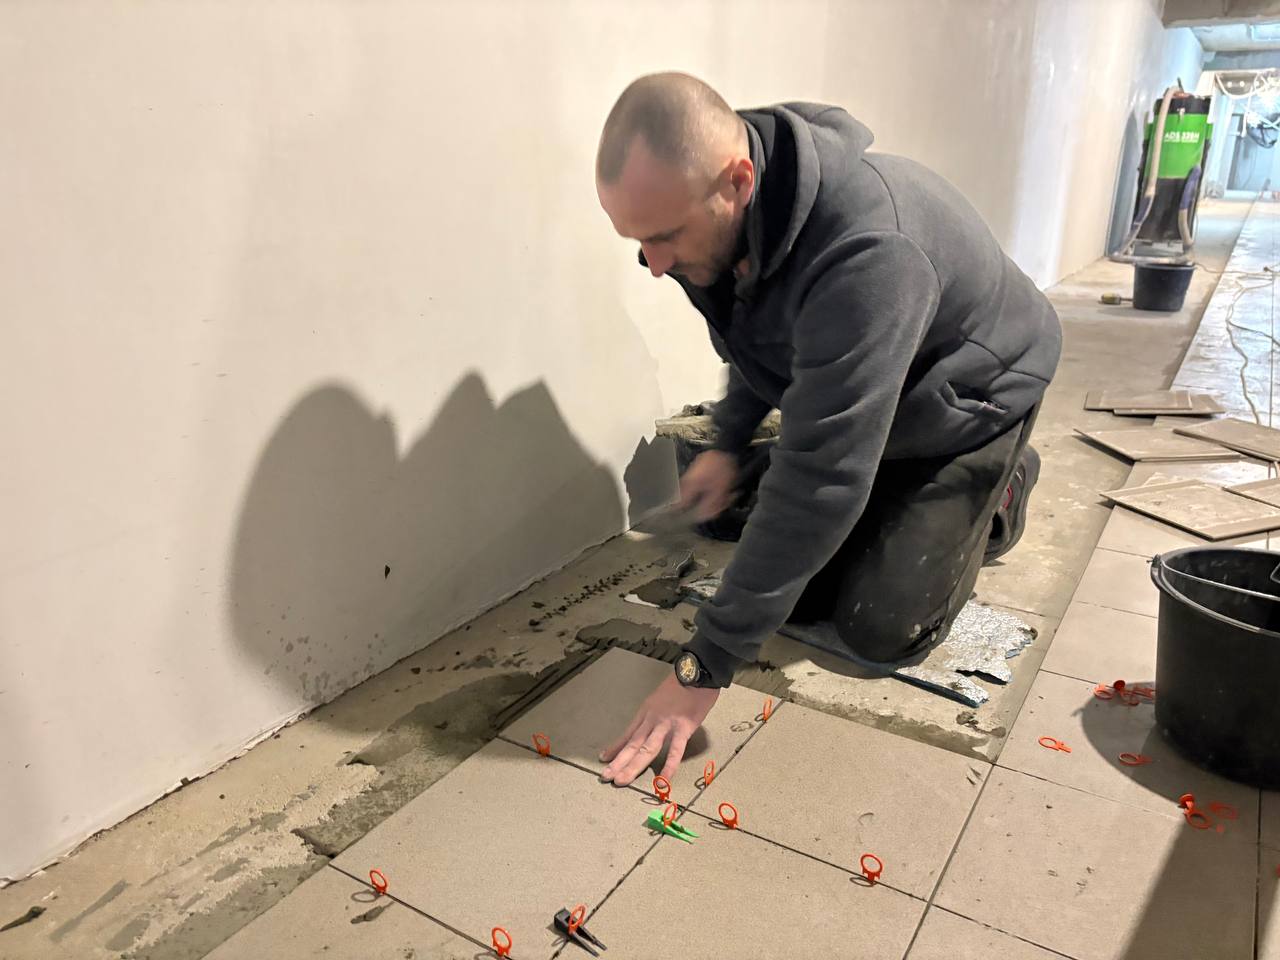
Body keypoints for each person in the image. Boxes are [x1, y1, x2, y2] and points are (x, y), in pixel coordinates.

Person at [593, 73, 1061, 787]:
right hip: (879, 392)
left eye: (663, 239)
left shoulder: (870, 254)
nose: (655, 267)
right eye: (637, 243)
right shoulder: (720, 218)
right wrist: (727, 445)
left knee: (879, 626)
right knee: (797, 597)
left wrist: (703, 666)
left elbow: (821, 479)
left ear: (737, 181)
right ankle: (894, 491)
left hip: (972, 399)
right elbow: (756, 342)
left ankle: (1002, 486)